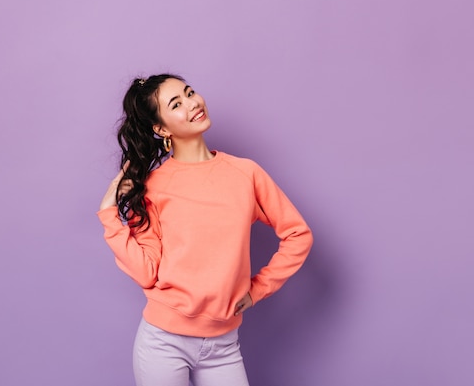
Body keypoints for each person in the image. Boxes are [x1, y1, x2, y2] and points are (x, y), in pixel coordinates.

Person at [98, 73, 313, 386]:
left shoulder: (245, 173)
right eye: (176, 103)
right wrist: (108, 214)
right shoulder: (154, 187)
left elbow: (297, 234)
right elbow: (146, 272)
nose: (193, 103)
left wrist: (258, 289)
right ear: (161, 129)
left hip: (224, 346)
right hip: (164, 343)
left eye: (190, 93)